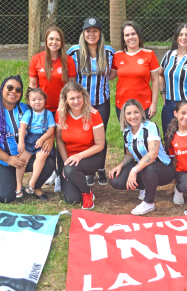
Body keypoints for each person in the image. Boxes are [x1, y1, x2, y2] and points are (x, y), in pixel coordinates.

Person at [0, 75, 55, 203]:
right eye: (10, 87)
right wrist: (8, 159)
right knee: (6, 197)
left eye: (18, 90)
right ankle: (12, 179)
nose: (13, 91)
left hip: (25, 155)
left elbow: (46, 122)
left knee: (49, 160)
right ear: (2, 88)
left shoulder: (26, 109)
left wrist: (49, 139)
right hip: (1, 159)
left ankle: (34, 186)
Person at [67, 17, 115, 187]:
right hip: (82, 103)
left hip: (102, 101)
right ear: (83, 33)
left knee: (100, 136)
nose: (91, 34)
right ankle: (88, 169)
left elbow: (113, 73)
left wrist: (101, 84)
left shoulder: (109, 52)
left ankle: (100, 167)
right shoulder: (74, 52)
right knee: (84, 137)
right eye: (88, 31)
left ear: (100, 33)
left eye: (95, 31)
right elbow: (70, 77)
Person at [109, 99, 175, 216]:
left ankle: (149, 202)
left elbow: (153, 154)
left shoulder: (150, 126)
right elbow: (129, 154)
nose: (133, 116)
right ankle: (146, 185)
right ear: (124, 116)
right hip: (143, 168)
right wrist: (120, 166)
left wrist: (134, 170)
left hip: (164, 169)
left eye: (136, 112)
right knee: (116, 180)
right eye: (129, 113)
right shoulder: (126, 132)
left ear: (141, 113)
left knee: (150, 168)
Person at [29, 26, 76, 189]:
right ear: (46, 41)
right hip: (43, 110)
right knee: (47, 143)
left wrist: (68, 107)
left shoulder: (68, 61)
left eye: (57, 39)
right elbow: (33, 86)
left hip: (62, 108)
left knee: (61, 140)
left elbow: (71, 87)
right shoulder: (36, 59)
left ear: (61, 42)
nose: (54, 42)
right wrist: (33, 108)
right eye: (51, 39)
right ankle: (51, 172)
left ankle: (62, 176)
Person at [55, 82, 106, 209]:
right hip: (70, 159)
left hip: (91, 156)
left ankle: (87, 194)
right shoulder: (60, 113)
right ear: (66, 100)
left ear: (84, 97)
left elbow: (100, 145)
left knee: (71, 169)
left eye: (79, 97)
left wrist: (79, 156)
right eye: (72, 98)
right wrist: (66, 161)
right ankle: (82, 184)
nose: (76, 101)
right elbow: (59, 140)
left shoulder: (93, 114)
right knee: (71, 199)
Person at [111, 21, 160, 122]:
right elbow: (110, 76)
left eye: (133, 34)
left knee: (144, 136)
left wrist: (154, 103)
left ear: (138, 35)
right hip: (122, 105)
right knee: (127, 136)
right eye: (127, 35)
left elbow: (155, 80)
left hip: (144, 104)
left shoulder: (149, 54)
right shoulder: (117, 55)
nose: (131, 37)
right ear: (124, 39)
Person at [16, 88, 55, 199]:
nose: (37, 102)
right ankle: (19, 184)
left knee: (42, 156)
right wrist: (21, 142)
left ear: (44, 100)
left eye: (40, 99)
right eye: (33, 100)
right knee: (22, 160)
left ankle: (32, 182)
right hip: (29, 139)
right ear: (28, 102)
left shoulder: (48, 114)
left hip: (42, 138)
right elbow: (22, 128)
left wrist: (43, 139)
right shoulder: (28, 113)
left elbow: (51, 130)